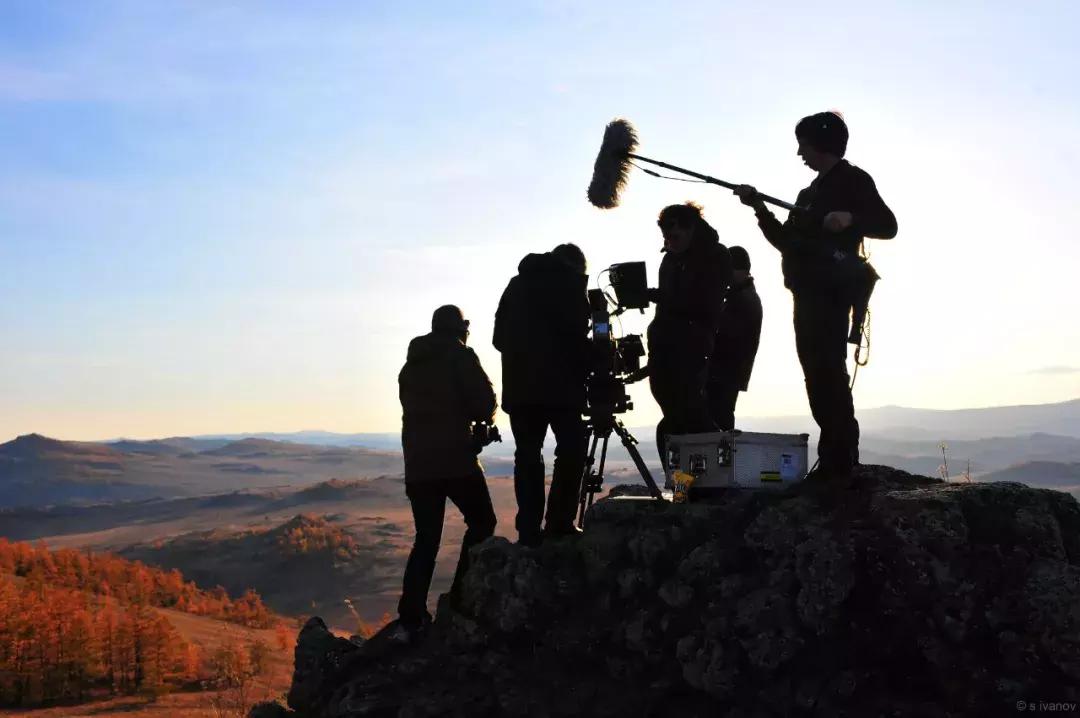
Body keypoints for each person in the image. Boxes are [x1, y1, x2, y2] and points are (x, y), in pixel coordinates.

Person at [735, 111, 897, 482]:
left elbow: (888, 226)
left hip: (831, 295)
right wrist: (759, 208)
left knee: (828, 373)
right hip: (805, 295)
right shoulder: (807, 195)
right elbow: (786, 243)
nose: (799, 154)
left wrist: (851, 219)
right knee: (816, 376)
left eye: (803, 145)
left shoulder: (853, 180)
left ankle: (841, 459)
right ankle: (835, 457)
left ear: (821, 144)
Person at [396, 304, 498, 638]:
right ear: (459, 328)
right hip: (455, 460)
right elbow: (485, 403)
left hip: (419, 465)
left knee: (426, 538)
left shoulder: (411, 365)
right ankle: (461, 594)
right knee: (483, 521)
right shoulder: (460, 355)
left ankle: (411, 615)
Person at [493, 244, 590, 546]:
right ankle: (560, 521)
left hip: (521, 391)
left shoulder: (516, 284)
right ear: (576, 267)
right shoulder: (570, 285)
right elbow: (576, 336)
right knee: (572, 450)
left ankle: (529, 530)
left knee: (527, 457)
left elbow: (498, 340)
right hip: (561, 388)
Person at [644, 202, 732, 468]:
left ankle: (711, 478)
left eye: (674, 235)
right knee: (671, 418)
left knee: (690, 414)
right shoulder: (669, 260)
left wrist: (660, 296)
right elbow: (668, 305)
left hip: (691, 345)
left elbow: (706, 303)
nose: (669, 241)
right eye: (665, 237)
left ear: (690, 228)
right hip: (663, 345)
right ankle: (681, 487)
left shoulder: (715, 256)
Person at [708, 246, 762, 431]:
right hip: (727, 373)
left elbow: (726, 336)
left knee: (720, 421)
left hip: (725, 373)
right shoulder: (740, 296)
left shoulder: (742, 300)